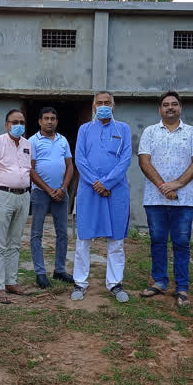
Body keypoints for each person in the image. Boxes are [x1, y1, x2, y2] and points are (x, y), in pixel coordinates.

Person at [138, 91, 193, 307]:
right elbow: (144, 162)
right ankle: (159, 282)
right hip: (154, 199)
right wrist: (162, 186)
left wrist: (176, 184)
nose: (170, 107)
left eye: (174, 104)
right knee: (157, 241)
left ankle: (182, 288)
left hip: (183, 200)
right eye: (166, 104)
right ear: (160, 109)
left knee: (181, 243)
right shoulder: (149, 132)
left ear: (180, 108)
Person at [71, 91, 132, 303]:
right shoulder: (85, 129)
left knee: (116, 241)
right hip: (89, 190)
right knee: (83, 238)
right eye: (100, 103)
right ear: (94, 106)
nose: (103, 106)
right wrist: (96, 183)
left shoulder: (123, 129)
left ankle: (115, 283)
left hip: (115, 191)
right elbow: (80, 158)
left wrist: (106, 183)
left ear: (113, 106)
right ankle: (80, 282)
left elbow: (125, 160)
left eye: (107, 102)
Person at [0, 109, 32, 304]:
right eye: (14, 122)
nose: (18, 125)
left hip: (23, 196)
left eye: (21, 121)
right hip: (2, 195)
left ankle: (11, 281)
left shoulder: (28, 145)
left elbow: (28, 169)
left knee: (15, 242)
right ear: (6, 124)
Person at [28, 107, 74, 289]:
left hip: (61, 193)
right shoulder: (32, 141)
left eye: (53, 118)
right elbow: (30, 169)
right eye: (46, 118)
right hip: (40, 193)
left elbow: (70, 166)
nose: (49, 121)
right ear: (39, 121)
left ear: (57, 121)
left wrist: (63, 188)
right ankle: (40, 273)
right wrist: (48, 189)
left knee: (62, 233)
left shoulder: (63, 140)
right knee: (36, 233)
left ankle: (60, 270)